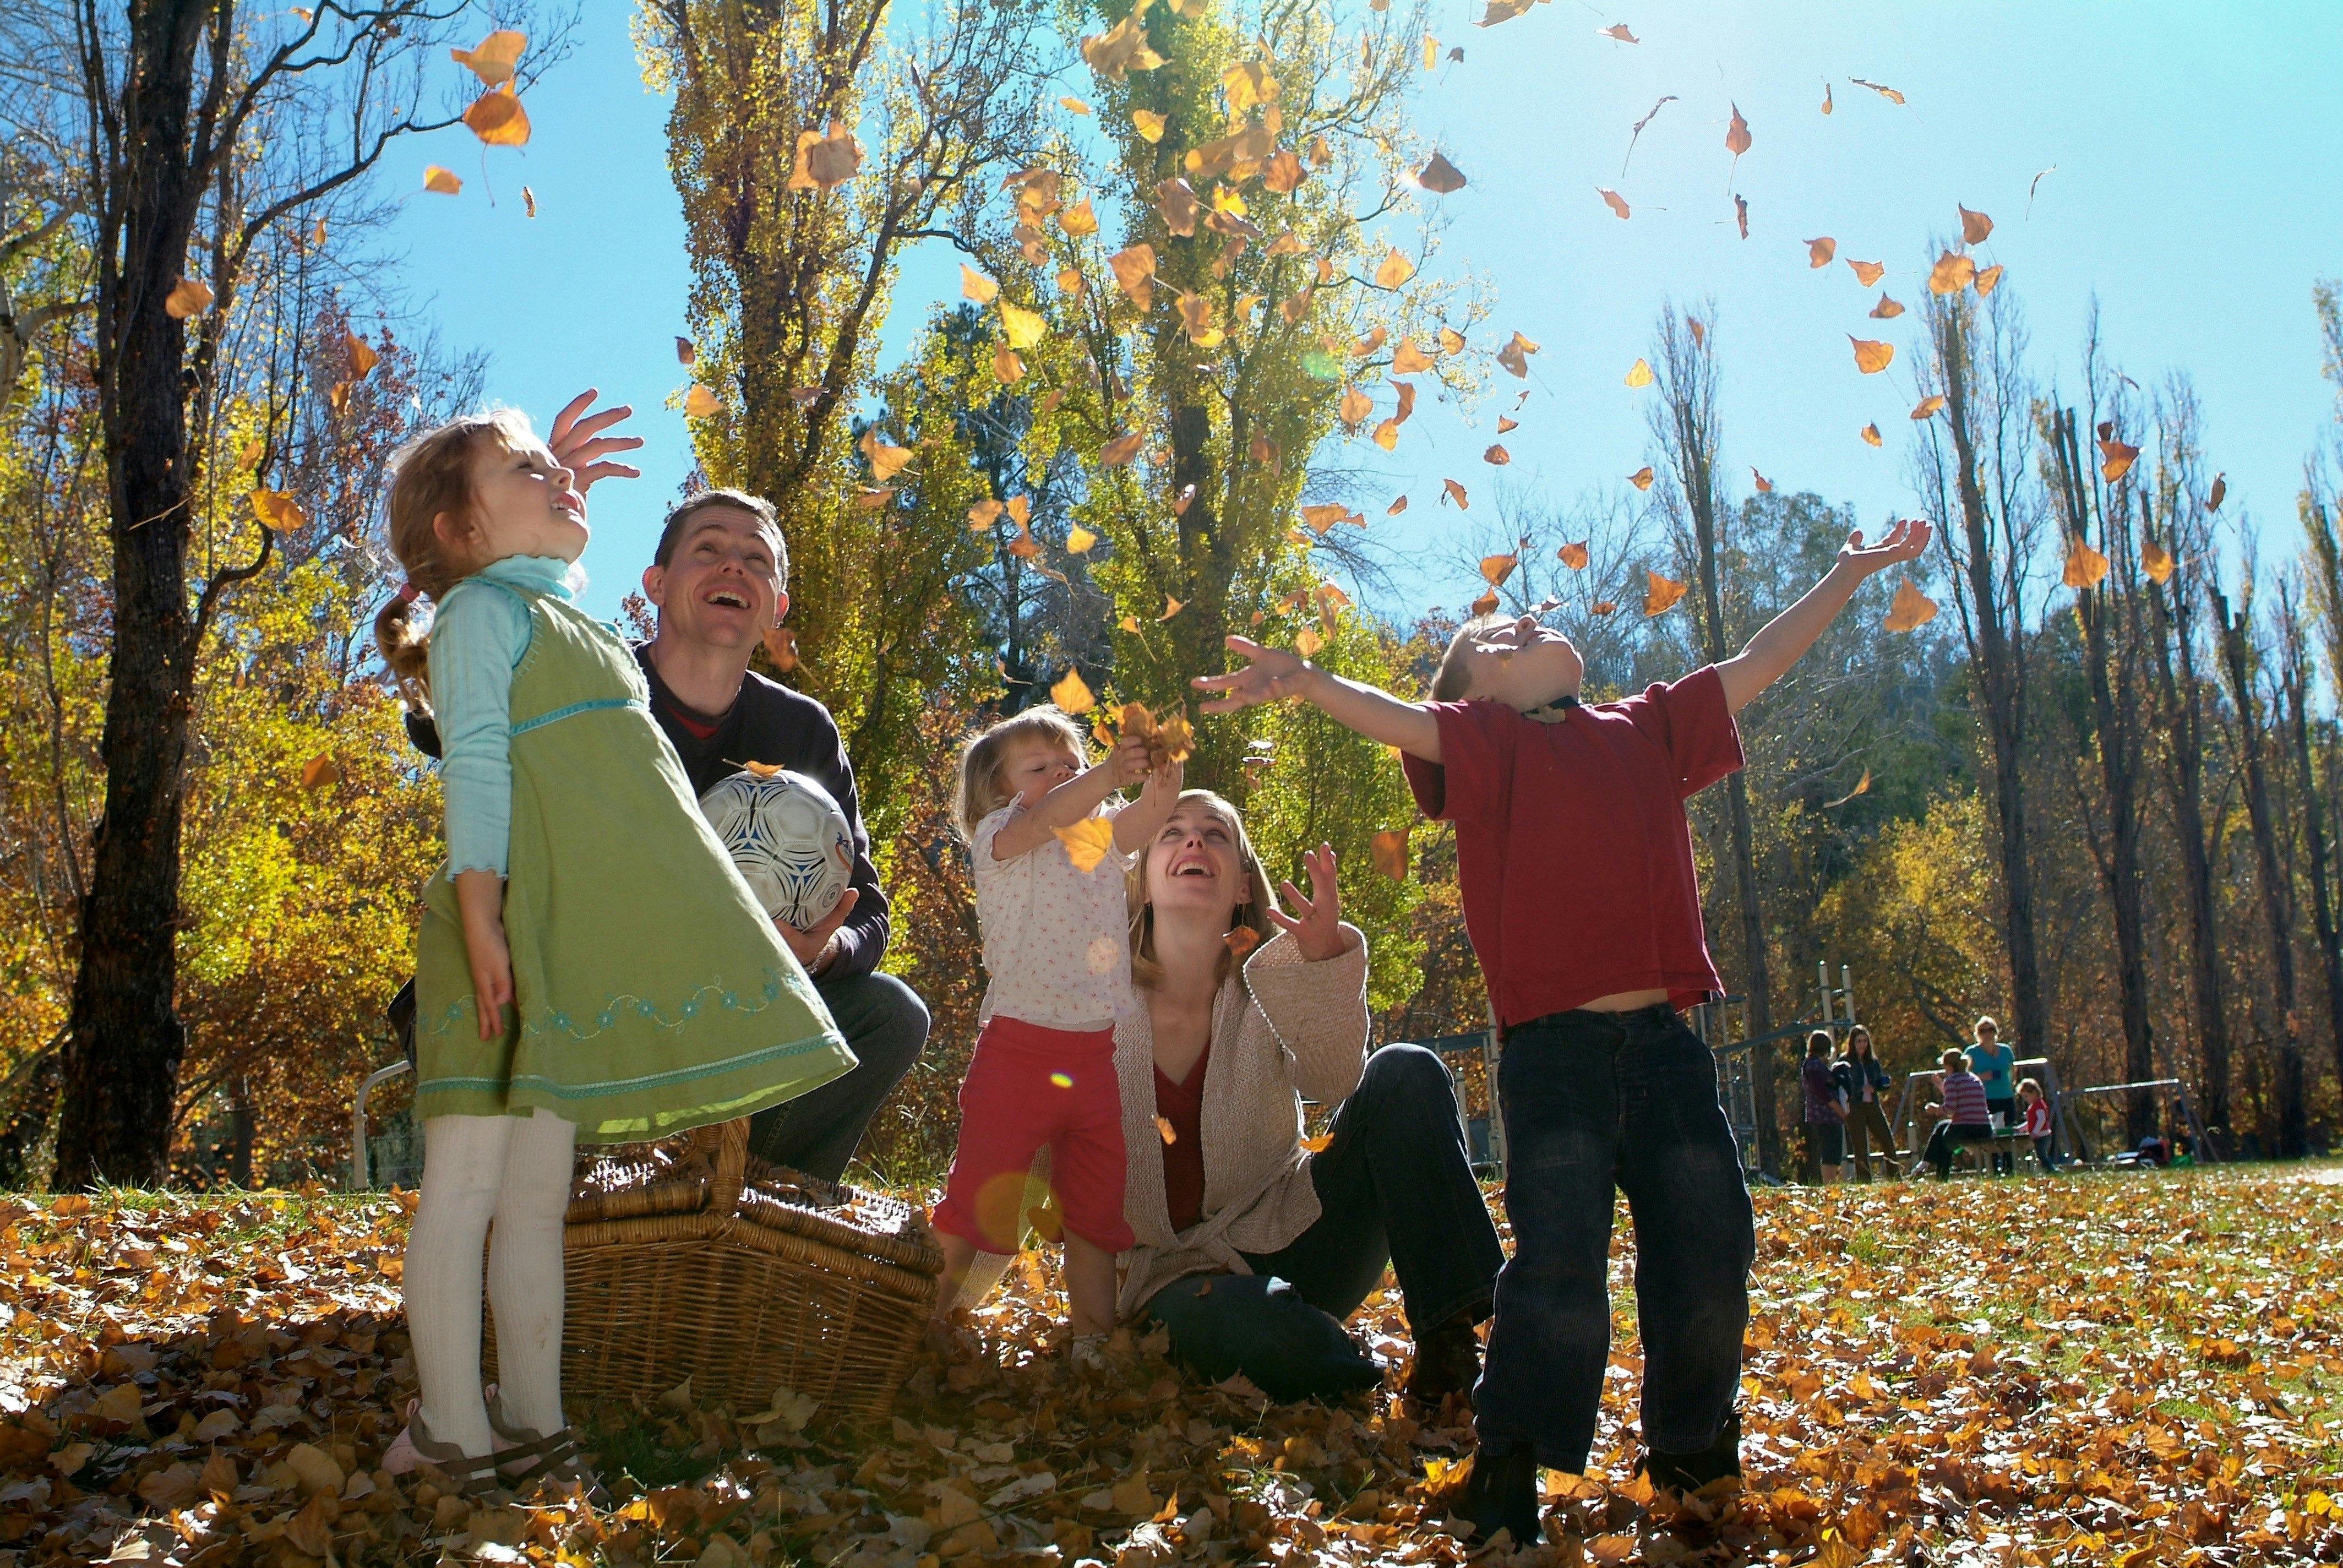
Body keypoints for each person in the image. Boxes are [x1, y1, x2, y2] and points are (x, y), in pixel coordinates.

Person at [1193, 519, 1932, 1543]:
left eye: (1524, 622)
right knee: (1559, 1271)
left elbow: (1759, 661)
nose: (1525, 624)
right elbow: (1403, 718)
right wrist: (1309, 681)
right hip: (1554, 1061)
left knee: (1712, 1244)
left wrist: (1846, 576)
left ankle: (1691, 1448)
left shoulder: (1648, 726)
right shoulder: (1491, 746)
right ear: (1478, 698)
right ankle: (1508, 1465)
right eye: (1497, 639)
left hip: (1668, 1053)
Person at [374, 407, 854, 1495]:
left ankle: (535, 1422)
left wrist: (545, 502)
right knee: (465, 1188)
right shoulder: (478, 612)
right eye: (523, 468)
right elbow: (477, 763)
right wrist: (481, 915)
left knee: (533, 1202)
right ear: (458, 528)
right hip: (495, 941)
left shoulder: (560, 619)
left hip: (561, 956)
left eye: (555, 467)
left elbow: (587, 738)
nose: (556, 475)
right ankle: (451, 1426)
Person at [404, 397, 931, 1183]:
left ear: (777, 607)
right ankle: (577, 1196)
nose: (733, 567)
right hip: (567, 976)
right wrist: (521, 525)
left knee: (890, 1014)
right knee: (485, 1026)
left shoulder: (802, 731)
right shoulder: (586, 672)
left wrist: (821, 951)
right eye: (707, 549)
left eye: (757, 561)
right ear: (654, 582)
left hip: (724, 998)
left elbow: (868, 907)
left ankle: (748, 1206)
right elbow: (449, 721)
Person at [1116, 793, 1505, 1406]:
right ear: (1140, 880)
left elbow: (1333, 1081)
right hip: (1170, 1276)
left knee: (1405, 1070)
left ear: (1243, 884)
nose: (1193, 841)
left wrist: (1324, 966)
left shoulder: (1271, 984)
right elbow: (1028, 1150)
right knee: (1254, 1330)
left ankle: (1450, 1347)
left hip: (1297, 1231)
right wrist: (959, 1278)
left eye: (1214, 833)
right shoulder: (1094, 1004)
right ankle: (1339, 1365)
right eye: (1172, 832)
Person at [928, 707, 1181, 1359]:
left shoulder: (1092, 837)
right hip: (1017, 1054)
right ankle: (919, 1328)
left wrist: (1163, 779)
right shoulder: (1002, 838)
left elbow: (1141, 821)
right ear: (994, 793)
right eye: (1040, 767)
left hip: (1094, 1056)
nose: (1064, 774)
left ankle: (1092, 1345)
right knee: (974, 1204)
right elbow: (1043, 819)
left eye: (1070, 762)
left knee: (1096, 1210)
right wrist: (1105, 773)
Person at [1912, 1048, 1994, 1180]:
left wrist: (1935, 1109)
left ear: (1949, 1066)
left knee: (1943, 1141)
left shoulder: (1952, 1080)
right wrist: (1941, 1086)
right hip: (1984, 1128)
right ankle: (1925, 1164)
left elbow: (1950, 1109)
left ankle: (1935, 1172)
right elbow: (1961, 1101)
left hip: (1965, 1129)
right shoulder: (1974, 1078)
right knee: (1942, 1126)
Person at [1834, 1026, 1896, 1183]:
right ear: (1853, 1043)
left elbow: (1878, 1080)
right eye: (1859, 1041)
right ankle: (1864, 1180)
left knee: (1887, 1140)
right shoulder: (1845, 1062)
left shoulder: (1872, 1062)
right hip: (1855, 1107)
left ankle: (1894, 1176)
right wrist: (1860, 1089)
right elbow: (1842, 1085)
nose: (1862, 1045)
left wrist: (1882, 1084)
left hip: (1872, 1105)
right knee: (1860, 1145)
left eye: (1865, 1041)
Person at [1966, 1016, 2017, 1175]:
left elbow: (2013, 1071)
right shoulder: (1971, 1053)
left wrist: (2011, 1087)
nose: (1988, 1034)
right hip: (1984, 1100)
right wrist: (1982, 1076)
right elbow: (1964, 1076)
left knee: (2007, 1133)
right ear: (1977, 1034)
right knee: (1990, 1135)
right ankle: (1993, 1170)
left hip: (2006, 1097)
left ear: (1996, 1032)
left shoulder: (2006, 1050)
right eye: (1983, 1031)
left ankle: (2010, 1170)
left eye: (1991, 1030)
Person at [1800, 1031, 1845, 1184]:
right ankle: (1829, 1183)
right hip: (1824, 1115)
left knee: (1832, 1151)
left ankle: (1830, 1182)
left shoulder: (1813, 1064)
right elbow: (1822, 1093)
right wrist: (1840, 1111)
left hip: (1821, 1114)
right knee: (1830, 1151)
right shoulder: (1815, 1066)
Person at [2018, 1078, 2056, 1172]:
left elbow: (2041, 1120)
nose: (2026, 1099)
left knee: (2042, 1156)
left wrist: (2035, 1132)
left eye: (2027, 1096)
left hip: (2043, 1136)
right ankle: (2048, 1171)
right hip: (2039, 1136)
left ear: (2034, 1093)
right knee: (2040, 1156)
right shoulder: (2033, 1107)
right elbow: (2031, 1123)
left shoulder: (2039, 1105)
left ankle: (2053, 1170)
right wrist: (2020, 1129)